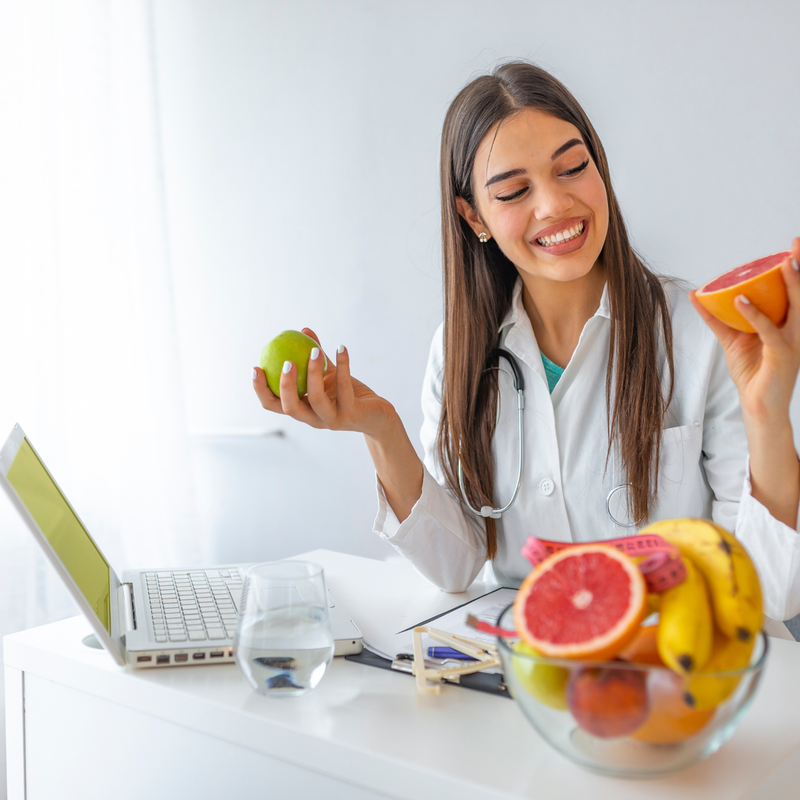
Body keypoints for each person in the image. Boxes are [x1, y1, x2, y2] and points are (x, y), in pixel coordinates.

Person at [252, 62, 800, 624]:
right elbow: (456, 563)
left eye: (572, 168)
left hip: (684, 679)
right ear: (474, 216)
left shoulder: (698, 335)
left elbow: (773, 591)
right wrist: (381, 429)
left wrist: (768, 415)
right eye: (514, 191)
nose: (555, 205)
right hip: (532, 680)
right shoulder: (461, 351)